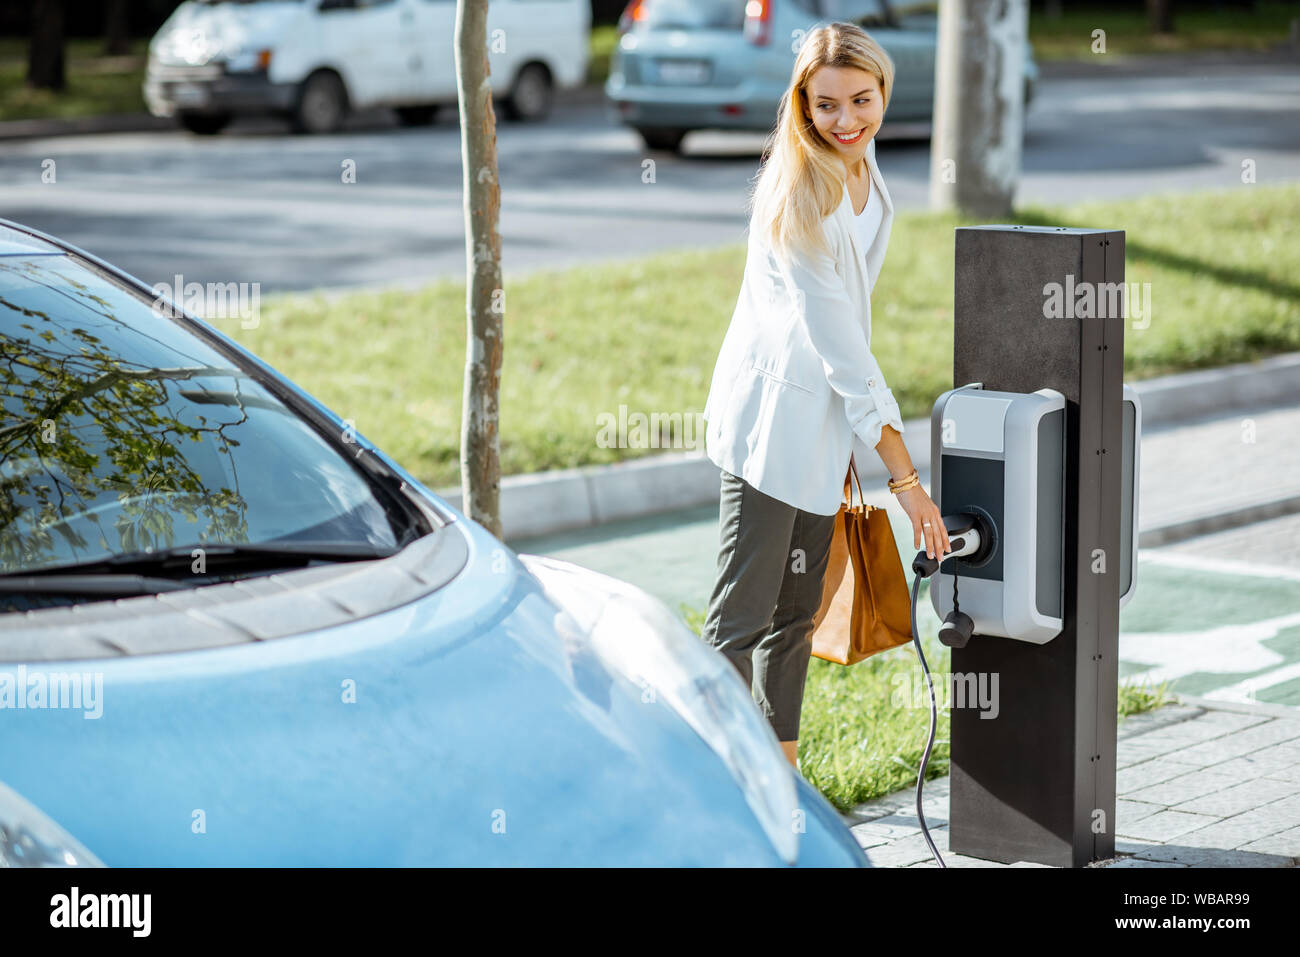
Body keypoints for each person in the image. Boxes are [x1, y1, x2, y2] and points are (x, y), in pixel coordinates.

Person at [700, 21, 952, 771]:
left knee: (796, 616)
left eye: (861, 101)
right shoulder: (798, 199)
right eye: (825, 106)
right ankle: (718, 780)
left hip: (824, 426)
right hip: (773, 426)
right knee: (738, 621)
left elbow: (850, 340)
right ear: (801, 103)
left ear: (883, 92)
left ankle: (780, 774)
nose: (845, 122)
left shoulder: (866, 175)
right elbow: (843, 350)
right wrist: (907, 482)